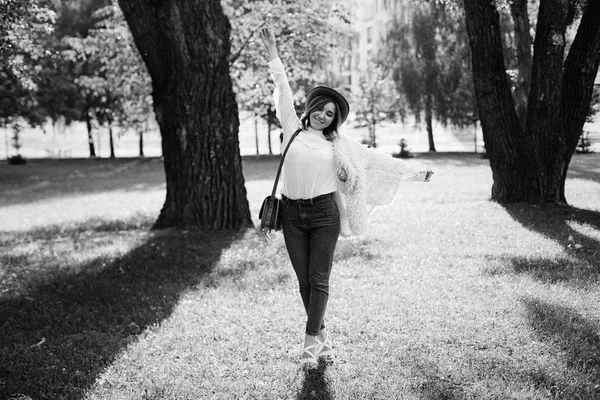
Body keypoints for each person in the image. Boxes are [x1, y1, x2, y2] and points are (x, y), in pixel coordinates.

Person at [260, 24, 433, 370]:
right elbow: (282, 86)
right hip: (292, 215)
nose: (324, 117)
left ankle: (310, 343)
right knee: (305, 281)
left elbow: (374, 163)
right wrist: (274, 53)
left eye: (330, 115)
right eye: (321, 110)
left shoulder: (339, 146)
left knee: (320, 279)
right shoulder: (292, 129)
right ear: (310, 108)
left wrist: (413, 174)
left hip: (324, 215)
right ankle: (321, 336)